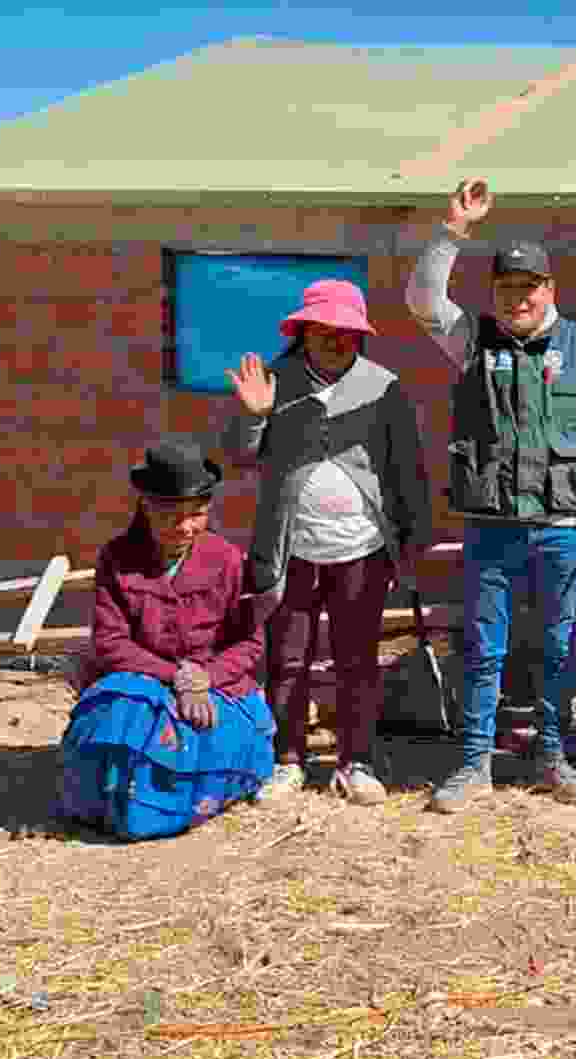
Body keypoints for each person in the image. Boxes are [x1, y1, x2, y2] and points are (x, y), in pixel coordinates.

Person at [406, 178, 576, 813]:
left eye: (529, 288)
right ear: (495, 293)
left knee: (557, 644)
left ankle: (553, 757)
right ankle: (475, 762)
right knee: (483, 644)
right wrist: (453, 231)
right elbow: (422, 300)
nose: (518, 298)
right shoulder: (473, 339)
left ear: (548, 291)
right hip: (491, 527)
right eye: (507, 288)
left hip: (563, 525)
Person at [226, 279, 429, 808]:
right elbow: (242, 457)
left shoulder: (385, 387)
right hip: (291, 546)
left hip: (362, 548)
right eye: (324, 328)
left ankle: (354, 760)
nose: (335, 338)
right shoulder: (276, 380)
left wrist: (412, 539)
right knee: (287, 660)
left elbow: (408, 468)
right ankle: (287, 760)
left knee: (356, 660)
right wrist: (255, 415)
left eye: (346, 330)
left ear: (360, 335)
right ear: (303, 331)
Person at [59, 440, 276, 841]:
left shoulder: (227, 559)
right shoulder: (116, 558)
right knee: (123, 720)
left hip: (214, 686)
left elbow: (249, 643)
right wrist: (176, 676)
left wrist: (203, 678)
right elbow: (110, 642)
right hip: (141, 681)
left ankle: (162, 802)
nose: (185, 528)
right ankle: (125, 804)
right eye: (171, 517)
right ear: (144, 505)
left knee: (214, 738)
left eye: (196, 515)